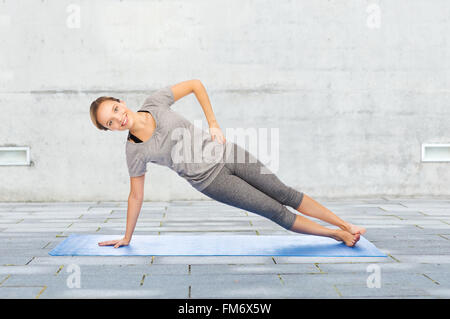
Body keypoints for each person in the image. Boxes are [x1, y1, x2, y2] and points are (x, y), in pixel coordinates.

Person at [89, 80, 365, 249]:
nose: (118, 119)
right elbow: (135, 195)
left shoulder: (155, 102)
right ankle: (335, 235)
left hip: (227, 152)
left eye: (114, 110)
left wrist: (213, 123)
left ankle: (346, 225)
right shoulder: (134, 151)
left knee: (285, 193)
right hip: (212, 182)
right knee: (275, 211)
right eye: (109, 123)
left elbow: (196, 84)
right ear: (110, 130)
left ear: (120, 102)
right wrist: (127, 237)